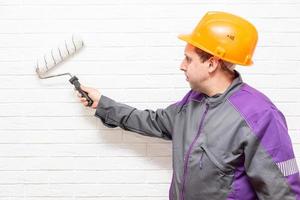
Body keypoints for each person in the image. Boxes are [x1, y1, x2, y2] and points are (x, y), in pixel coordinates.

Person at [77, 11, 300, 200]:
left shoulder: (259, 115)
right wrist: (102, 104)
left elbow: (283, 191)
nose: (181, 66)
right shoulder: (193, 101)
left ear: (212, 63)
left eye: (188, 59)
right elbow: (153, 121)